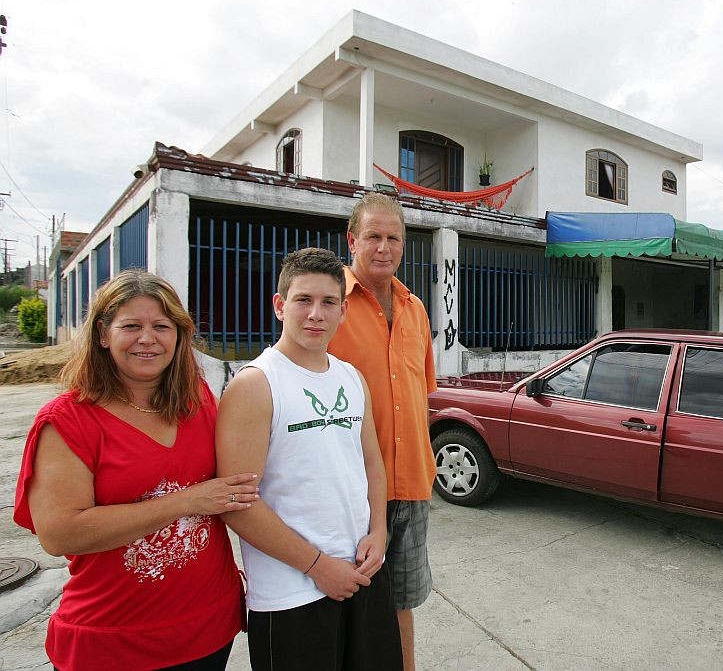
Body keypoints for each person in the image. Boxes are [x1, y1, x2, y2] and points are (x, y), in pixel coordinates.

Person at [13, 269, 259, 670]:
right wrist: (187, 501)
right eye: (132, 326)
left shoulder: (198, 401)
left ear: (179, 336)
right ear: (103, 335)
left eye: (162, 326)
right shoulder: (68, 421)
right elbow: (60, 534)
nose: (148, 339)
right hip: (112, 641)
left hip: (208, 627)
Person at [216, 247, 402, 670]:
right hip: (293, 593)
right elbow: (237, 503)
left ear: (343, 311)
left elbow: (371, 463)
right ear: (280, 306)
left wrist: (378, 532)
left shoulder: (351, 377)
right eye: (303, 300)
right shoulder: (256, 385)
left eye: (328, 302)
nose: (316, 314)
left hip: (365, 571)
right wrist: (318, 567)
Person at [327, 193, 437, 671]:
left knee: (401, 600)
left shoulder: (415, 310)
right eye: (373, 236)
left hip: (411, 483)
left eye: (394, 238)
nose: (383, 247)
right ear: (352, 240)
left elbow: (421, 394)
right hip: (349, 486)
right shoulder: (328, 306)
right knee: (344, 598)